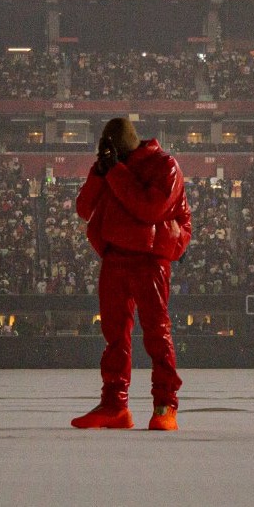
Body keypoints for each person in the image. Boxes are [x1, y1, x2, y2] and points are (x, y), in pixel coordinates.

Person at [72, 117, 190, 431]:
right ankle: (114, 405)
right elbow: (84, 208)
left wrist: (114, 171)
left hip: (149, 258)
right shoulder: (114, 168)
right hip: (116, 256)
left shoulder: (165, 165)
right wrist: (99, 173)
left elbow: (149, 208)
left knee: (156, 332)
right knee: (115, 335)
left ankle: (165, 405)